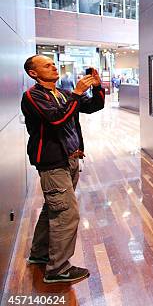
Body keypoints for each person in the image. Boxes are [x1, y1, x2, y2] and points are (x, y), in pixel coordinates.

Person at [21, 55, 105, 284]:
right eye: (47, 65)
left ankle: (39, 255)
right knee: (67, 213)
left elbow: (93, 107)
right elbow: (56, 120)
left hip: (70, 158)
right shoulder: (32, 96)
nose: (53, 66)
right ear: (33, 73)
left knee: (53, 209)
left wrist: (97, 88)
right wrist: (77, 94)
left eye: (53, 63)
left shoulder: (62, 94)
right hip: (52, 162)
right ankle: (58, 269)